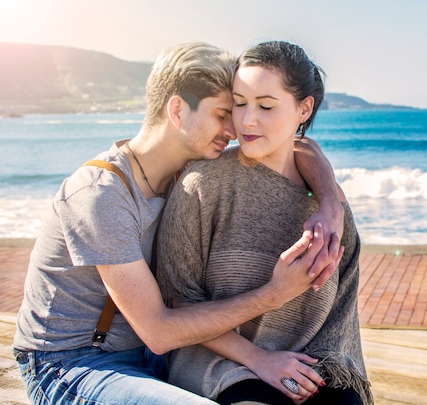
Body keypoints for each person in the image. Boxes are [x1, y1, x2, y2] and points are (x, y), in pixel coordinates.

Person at [12, 41, 346, 405]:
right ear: (177, 111)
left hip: (149, 357)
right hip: (72, 364)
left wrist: (330, 202)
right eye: (224, 113)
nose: (235, 128)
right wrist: (276, 293)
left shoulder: (180, 173)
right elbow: (158, 330)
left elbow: (300, 146)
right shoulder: (101, 195)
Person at [157, 41, 373, 405]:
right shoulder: (202, 186)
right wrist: (262, 361)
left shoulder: (331, 207)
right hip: (218, 367)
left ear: (304, 108)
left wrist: (321, 373)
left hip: (312, 369)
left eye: (266, 106)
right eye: (239, 103)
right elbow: (179, 304)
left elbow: (340, 316)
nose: (247, 120)